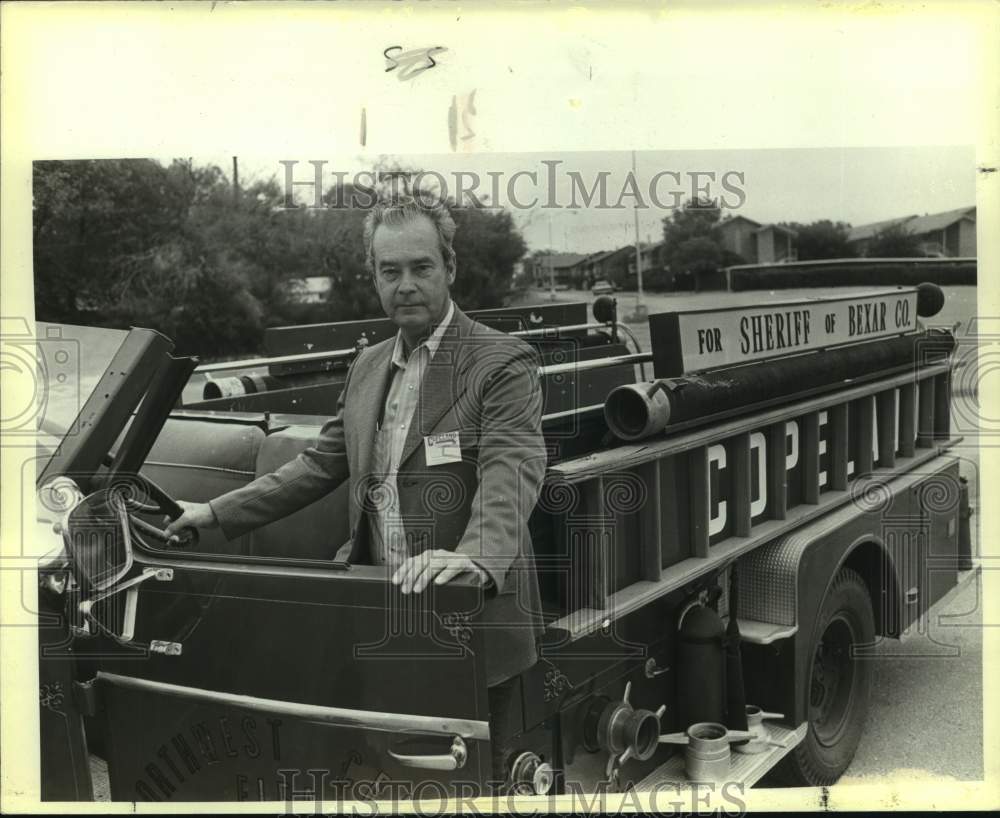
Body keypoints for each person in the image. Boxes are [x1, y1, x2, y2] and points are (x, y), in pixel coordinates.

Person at [165, 188, 547, 781]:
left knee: (482, 783)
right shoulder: (368, 366)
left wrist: (475, 557)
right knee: (390, 777)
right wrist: (213, 515)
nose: (406, 285)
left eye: (422, 267)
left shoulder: (500, 363)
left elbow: (512, 471)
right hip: (381, 616)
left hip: (470, 625)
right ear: (373, 276)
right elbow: (317, 465)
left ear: (451, 267)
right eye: (389, 271)